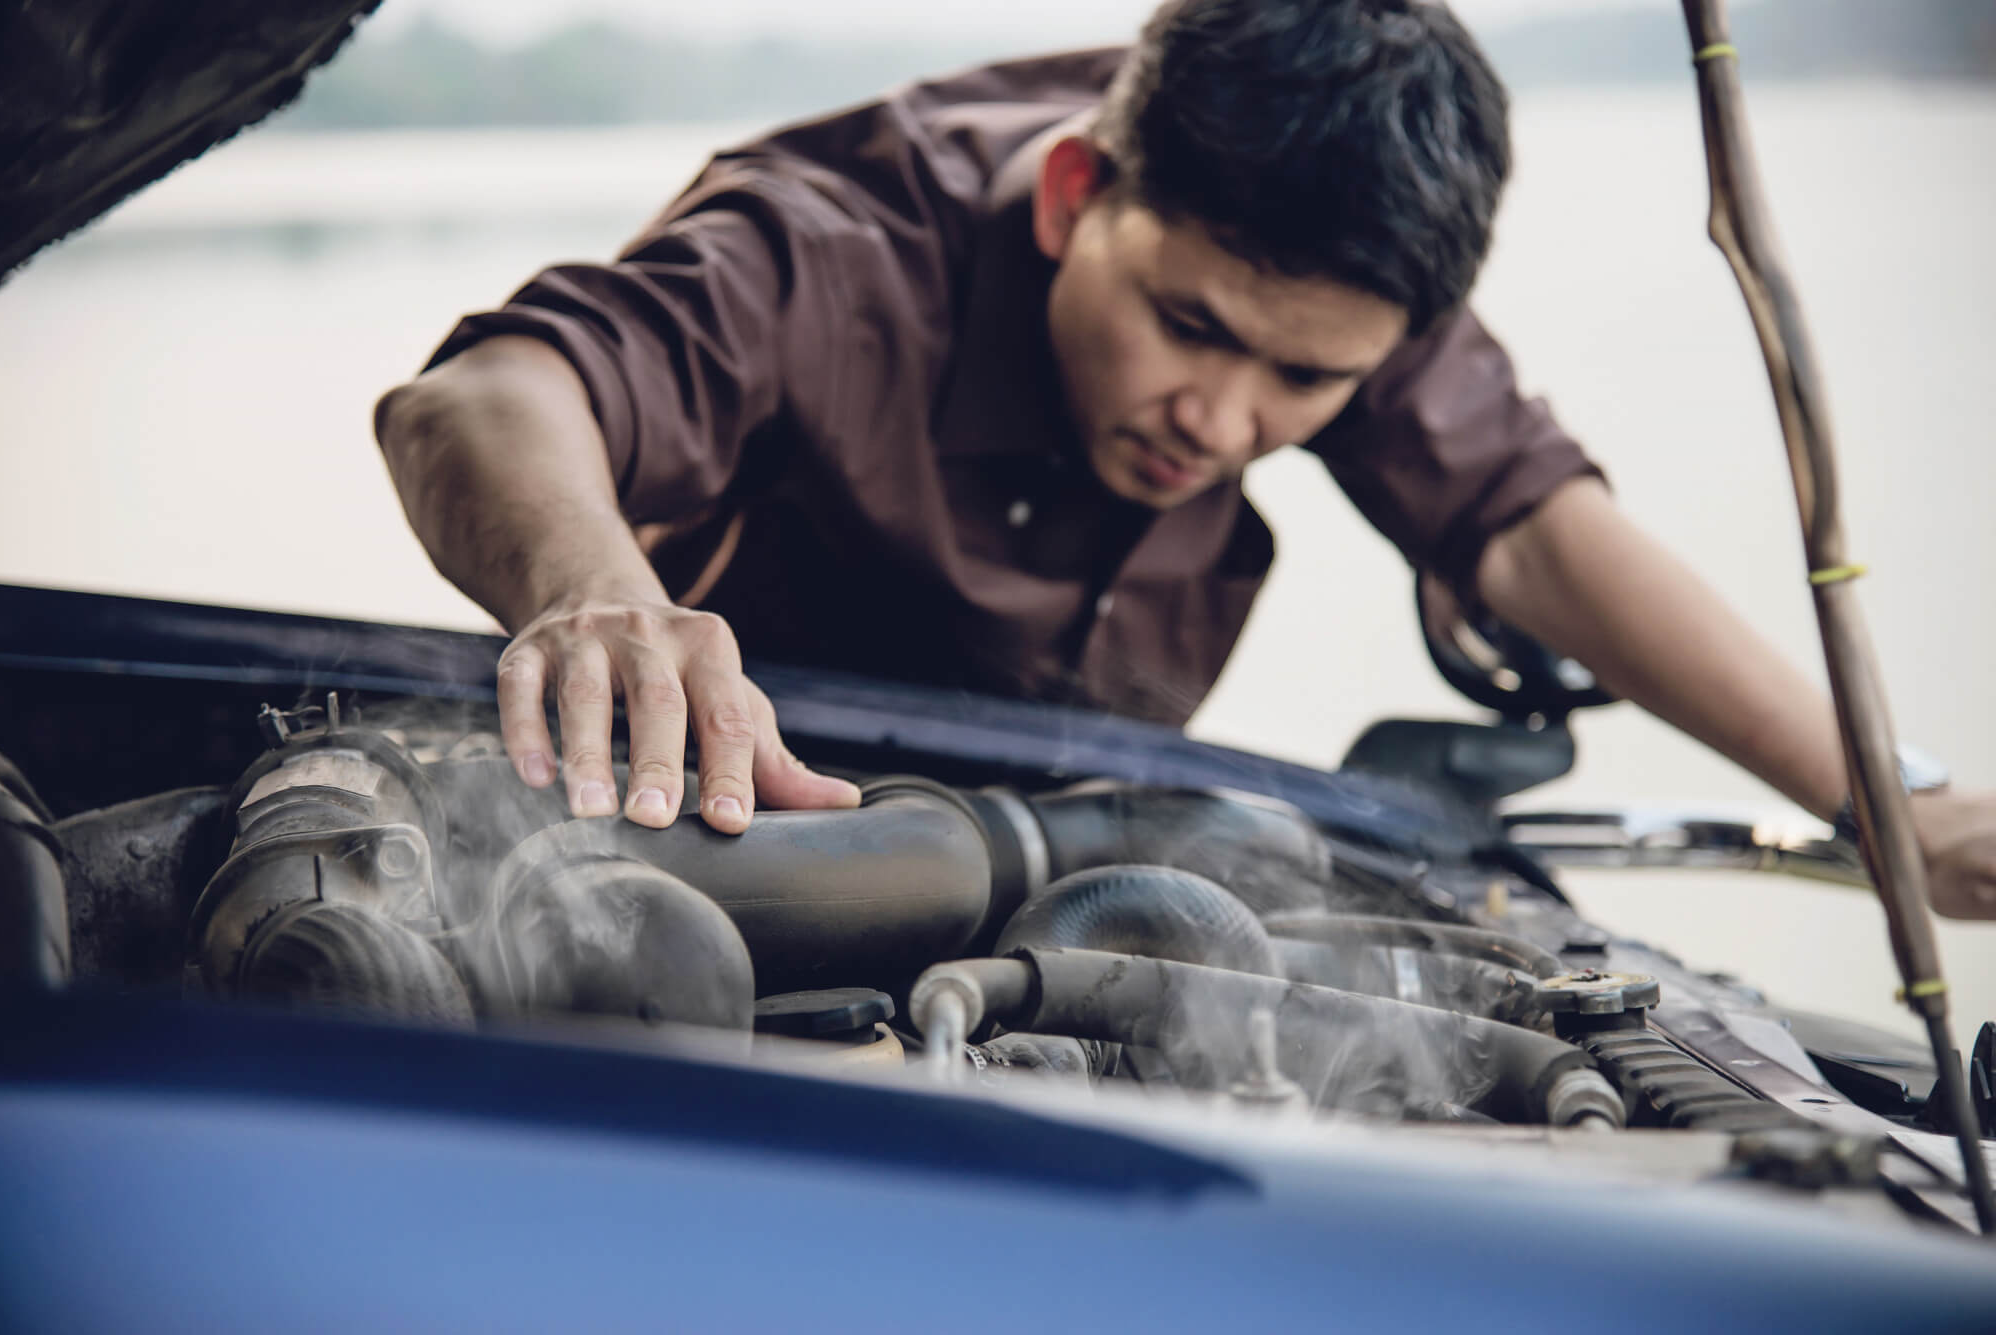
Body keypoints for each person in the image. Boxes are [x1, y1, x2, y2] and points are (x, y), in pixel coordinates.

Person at [373, 0, 1996, 919]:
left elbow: (1535, 532)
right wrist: (594, 591)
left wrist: (1890, 803)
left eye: (1306, 380)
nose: (1226, 421)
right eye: (1189, 328)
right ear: (1080, 195)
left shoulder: (1344, 270)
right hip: (710, 852)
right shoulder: (835, 251)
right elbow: (477, 400)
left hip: (1070, 866)